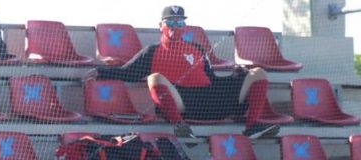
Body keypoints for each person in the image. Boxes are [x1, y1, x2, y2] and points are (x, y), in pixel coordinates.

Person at [94, 5, 281, 139]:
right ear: (161, 25)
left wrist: (235, 76)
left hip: (212, 99)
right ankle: (180, 127)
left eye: (179, 23)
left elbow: (211, 78)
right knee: (155, 78)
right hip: (184, 103)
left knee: (258, 73)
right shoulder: (152, 51)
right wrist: (99, 69)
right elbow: (128, 73)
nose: (175, 27)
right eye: (170, 22)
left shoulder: (198, 48)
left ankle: (252, 128)